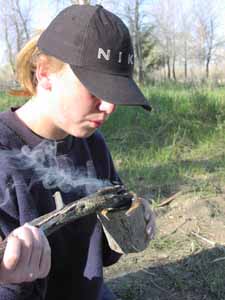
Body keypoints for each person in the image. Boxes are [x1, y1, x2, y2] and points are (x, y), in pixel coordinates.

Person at [0, 4, 155, 300]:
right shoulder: (3, 158)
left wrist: (131, 222)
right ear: (45, 74)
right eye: (95, 90)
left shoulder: (92, 144)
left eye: (115, 93)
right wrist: (10, 281)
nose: (109, 107)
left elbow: (105, 256)